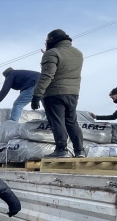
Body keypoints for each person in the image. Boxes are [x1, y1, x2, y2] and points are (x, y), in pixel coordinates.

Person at [31, 29, 85, 159]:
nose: (45, 42)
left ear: (52, 39)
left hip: (54, 93)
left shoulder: (52, 53)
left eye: (47, 40)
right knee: (72, 122)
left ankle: (61, 149)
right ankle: (80, 151)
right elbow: (65, 67)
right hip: (73, 93)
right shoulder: (77, 53)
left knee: (57, 121)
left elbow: (47, 76)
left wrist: (36, 95)